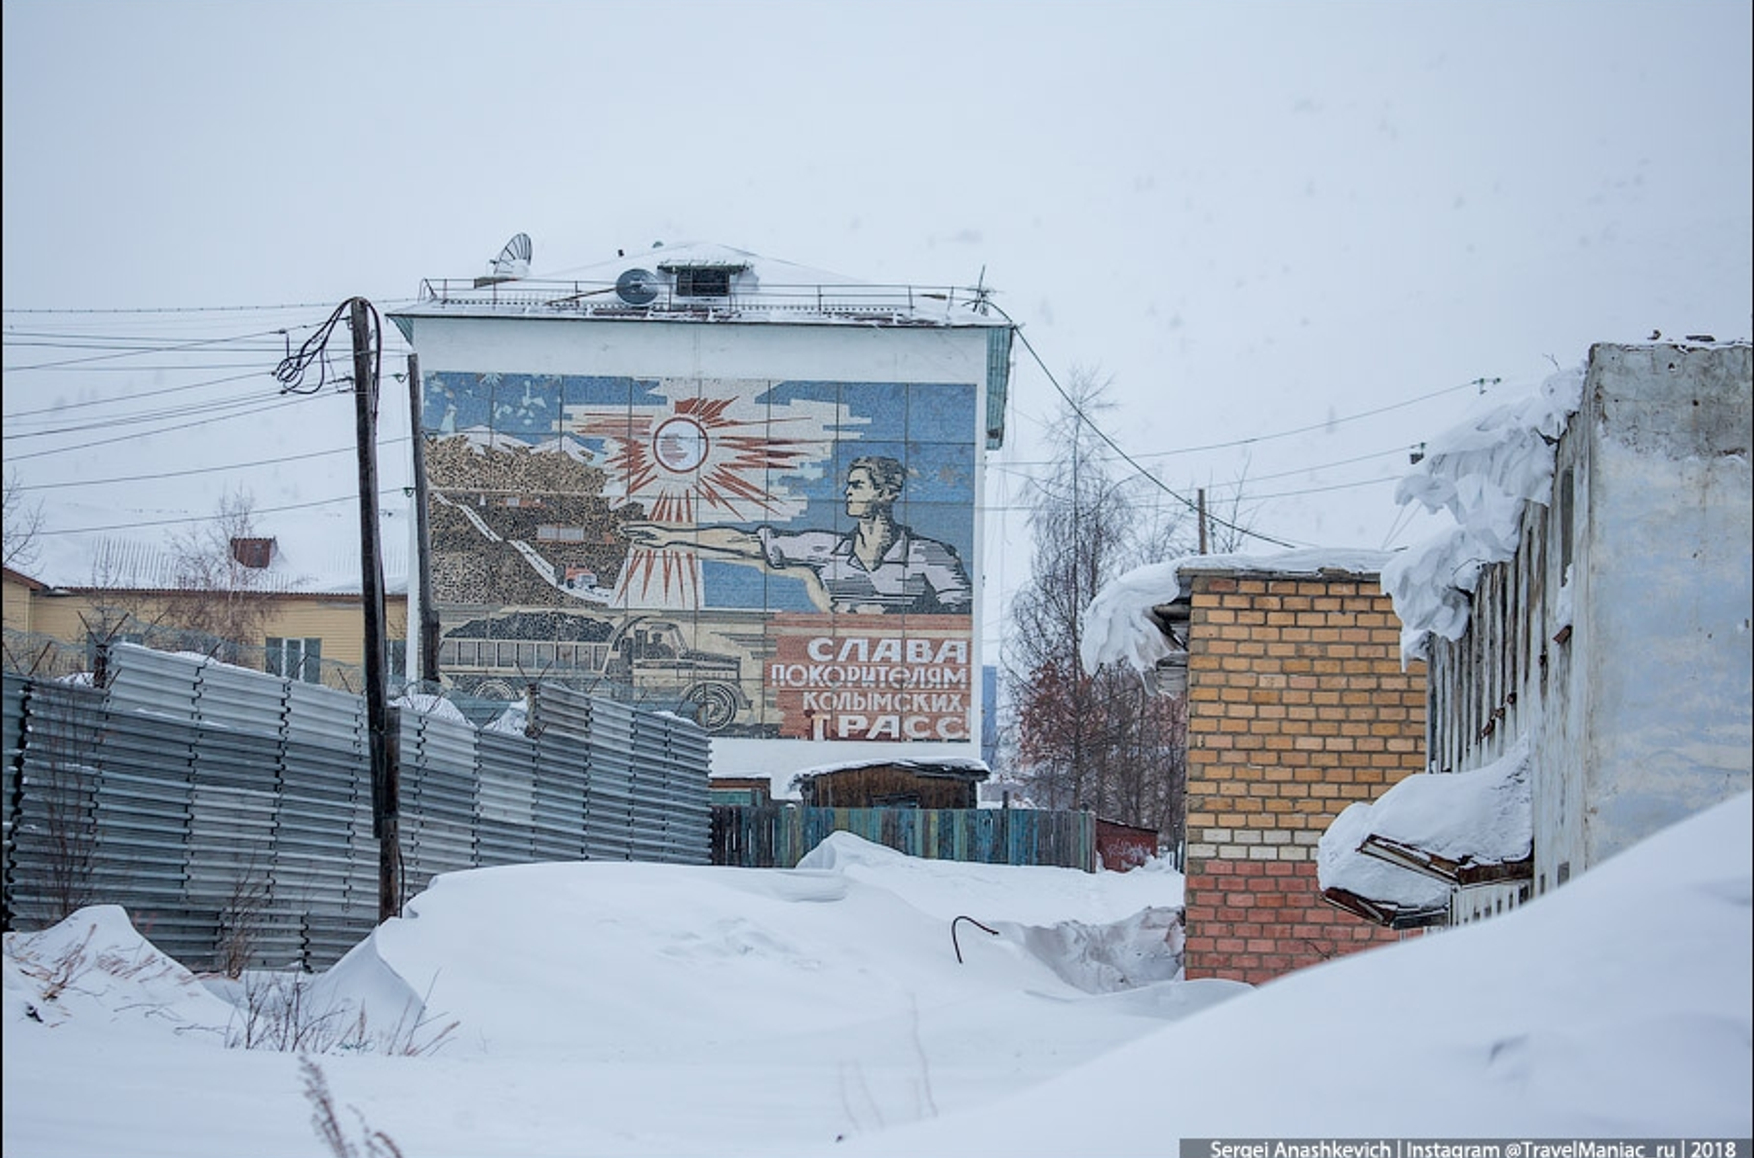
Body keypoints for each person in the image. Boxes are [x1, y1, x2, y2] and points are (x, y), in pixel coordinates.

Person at [622, 455, 972, 615]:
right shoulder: (823, 548)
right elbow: (744, 542)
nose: (847, 493)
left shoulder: (932, 555)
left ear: (886, 494)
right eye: (848, 486)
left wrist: (887, 615)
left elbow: (960, 620)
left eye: (857, 486)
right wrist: (671, 536)